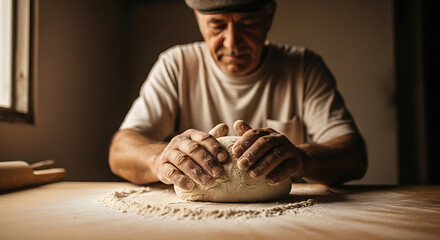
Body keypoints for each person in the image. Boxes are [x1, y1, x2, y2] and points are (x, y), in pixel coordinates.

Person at [109, 0, 368, 190]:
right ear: (199, 19)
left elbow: (353, 155)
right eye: (217, 26)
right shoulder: (176, 65)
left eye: (248, 25)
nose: (232, 43)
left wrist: (302, 158)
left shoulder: (303, 66)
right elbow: (121, 150)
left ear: (269, 17)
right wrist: (161, 159)